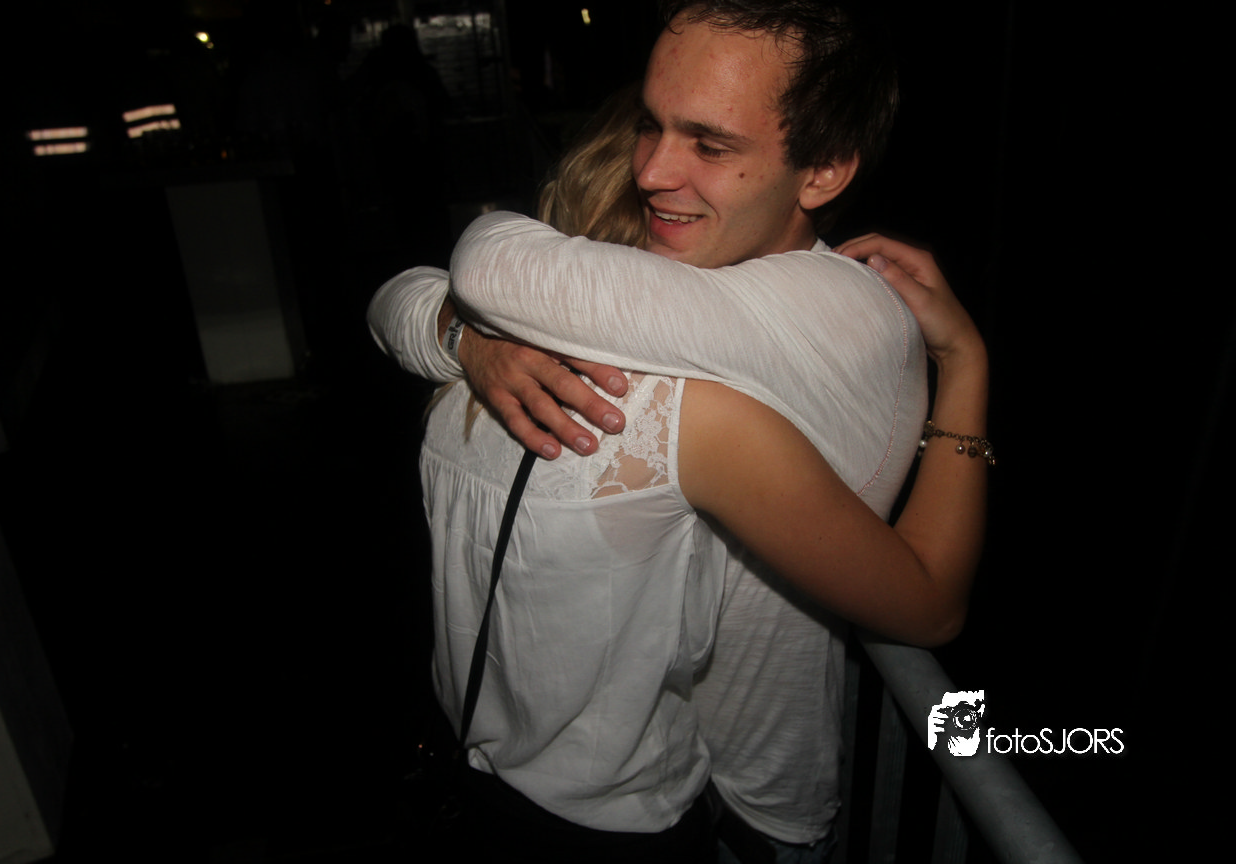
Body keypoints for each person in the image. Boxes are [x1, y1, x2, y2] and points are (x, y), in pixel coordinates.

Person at [370, 2, 989, 861]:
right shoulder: (670, 301)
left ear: (824, 170)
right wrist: (463, 336)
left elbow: (488, 262)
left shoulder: (832, 312)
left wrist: (966, 361)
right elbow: (402, 297)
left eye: (710, 144)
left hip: (741, 802)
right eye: (650, 126)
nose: (652, 170)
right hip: (638, 776)